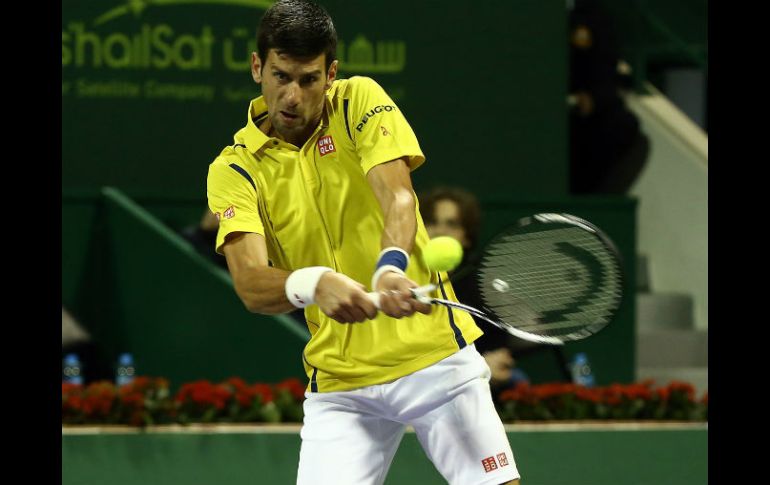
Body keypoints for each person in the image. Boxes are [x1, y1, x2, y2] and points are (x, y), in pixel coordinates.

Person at [205, 2, 521, 483]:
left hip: (434, 359)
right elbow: (250, 285)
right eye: (280, 76)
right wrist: (316, 282)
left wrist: (390, 266)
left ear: (331, 73)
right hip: (340, 385)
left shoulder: (358, 101)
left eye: (309, 79)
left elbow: (397, 196)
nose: (292, 96)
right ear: (257, 68)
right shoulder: (234, 169)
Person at [418, 186, 532, 395]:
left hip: (471, 382)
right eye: (432, 222)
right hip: (413, 379)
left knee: (517, 380)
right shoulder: (399, 277)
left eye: (451, 224)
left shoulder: (482, 287)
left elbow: (499, 349)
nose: (440, 231)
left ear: (466, 236)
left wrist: (488, 362)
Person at [568, 0, 649, 195]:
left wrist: (592, 99)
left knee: (631, 134)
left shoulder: (594, 18)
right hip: (572, 132)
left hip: (592, 128)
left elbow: (605, 72)